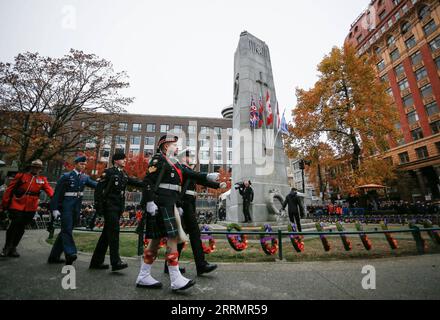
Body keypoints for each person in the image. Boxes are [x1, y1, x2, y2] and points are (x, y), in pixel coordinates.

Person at [136, 135, 219, 291]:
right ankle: (175, 279)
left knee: (155, 241)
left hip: (168, 204)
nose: (177, 147)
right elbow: (148, 181)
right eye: (174, 145)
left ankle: (143, 275)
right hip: (161, 204)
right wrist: (149, 201)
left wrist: (207, 176)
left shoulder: (173, 163)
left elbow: (190, 174)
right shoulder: (158, 160)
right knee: (172, 238)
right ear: (166, 147)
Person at [163, 149, 226, 276]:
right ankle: (201, 265)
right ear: (181, 158)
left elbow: (201, 181)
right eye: (188, 156)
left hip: (189, 204)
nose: (190, 158)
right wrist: (207, 175)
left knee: (182, 236)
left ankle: (169, 265)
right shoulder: (180, 168)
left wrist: (218, 185)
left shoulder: (189, 170)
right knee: (194, 234)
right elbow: (197, 176)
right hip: (184, 204)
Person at [89, 152, 144, 272]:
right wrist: (99, 207)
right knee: (114, 232)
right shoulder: (108, 172)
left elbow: (133, 181)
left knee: (106, 235)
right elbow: (98, 190)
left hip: (117, 208)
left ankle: (96, 262)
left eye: (125, 159)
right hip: (109, 207)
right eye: (122, 159)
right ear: (115, 161)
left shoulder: (123, 174)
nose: (125, 161)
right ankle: (116, 261)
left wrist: (147, 183)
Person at [47, 156, 97, 265]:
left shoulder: (85, 178)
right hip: (66, 207)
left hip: (76, 208)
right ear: (75, 164)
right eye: (81, 164)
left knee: (65, 231)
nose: (83, 166)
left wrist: (106, 183)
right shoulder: (66, 176)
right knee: (67, 229)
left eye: (84, 164)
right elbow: (57, 194)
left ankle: (54, 256)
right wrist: (55, 209)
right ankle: (70, 253)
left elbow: (96, 185)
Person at [0, 160, 54, 258]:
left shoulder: (42, 179)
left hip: (31, 207)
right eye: (34, 167)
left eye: (38, 168)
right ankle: (7, 247)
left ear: (40, 169)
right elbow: (9, 190)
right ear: (31, 167)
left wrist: (55, 198)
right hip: (17, 203)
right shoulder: (21, 176)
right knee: (14, 224)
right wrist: (4, 204)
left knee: (21, 227)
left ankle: (14, 247)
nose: (36, 169)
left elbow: (49, 190)